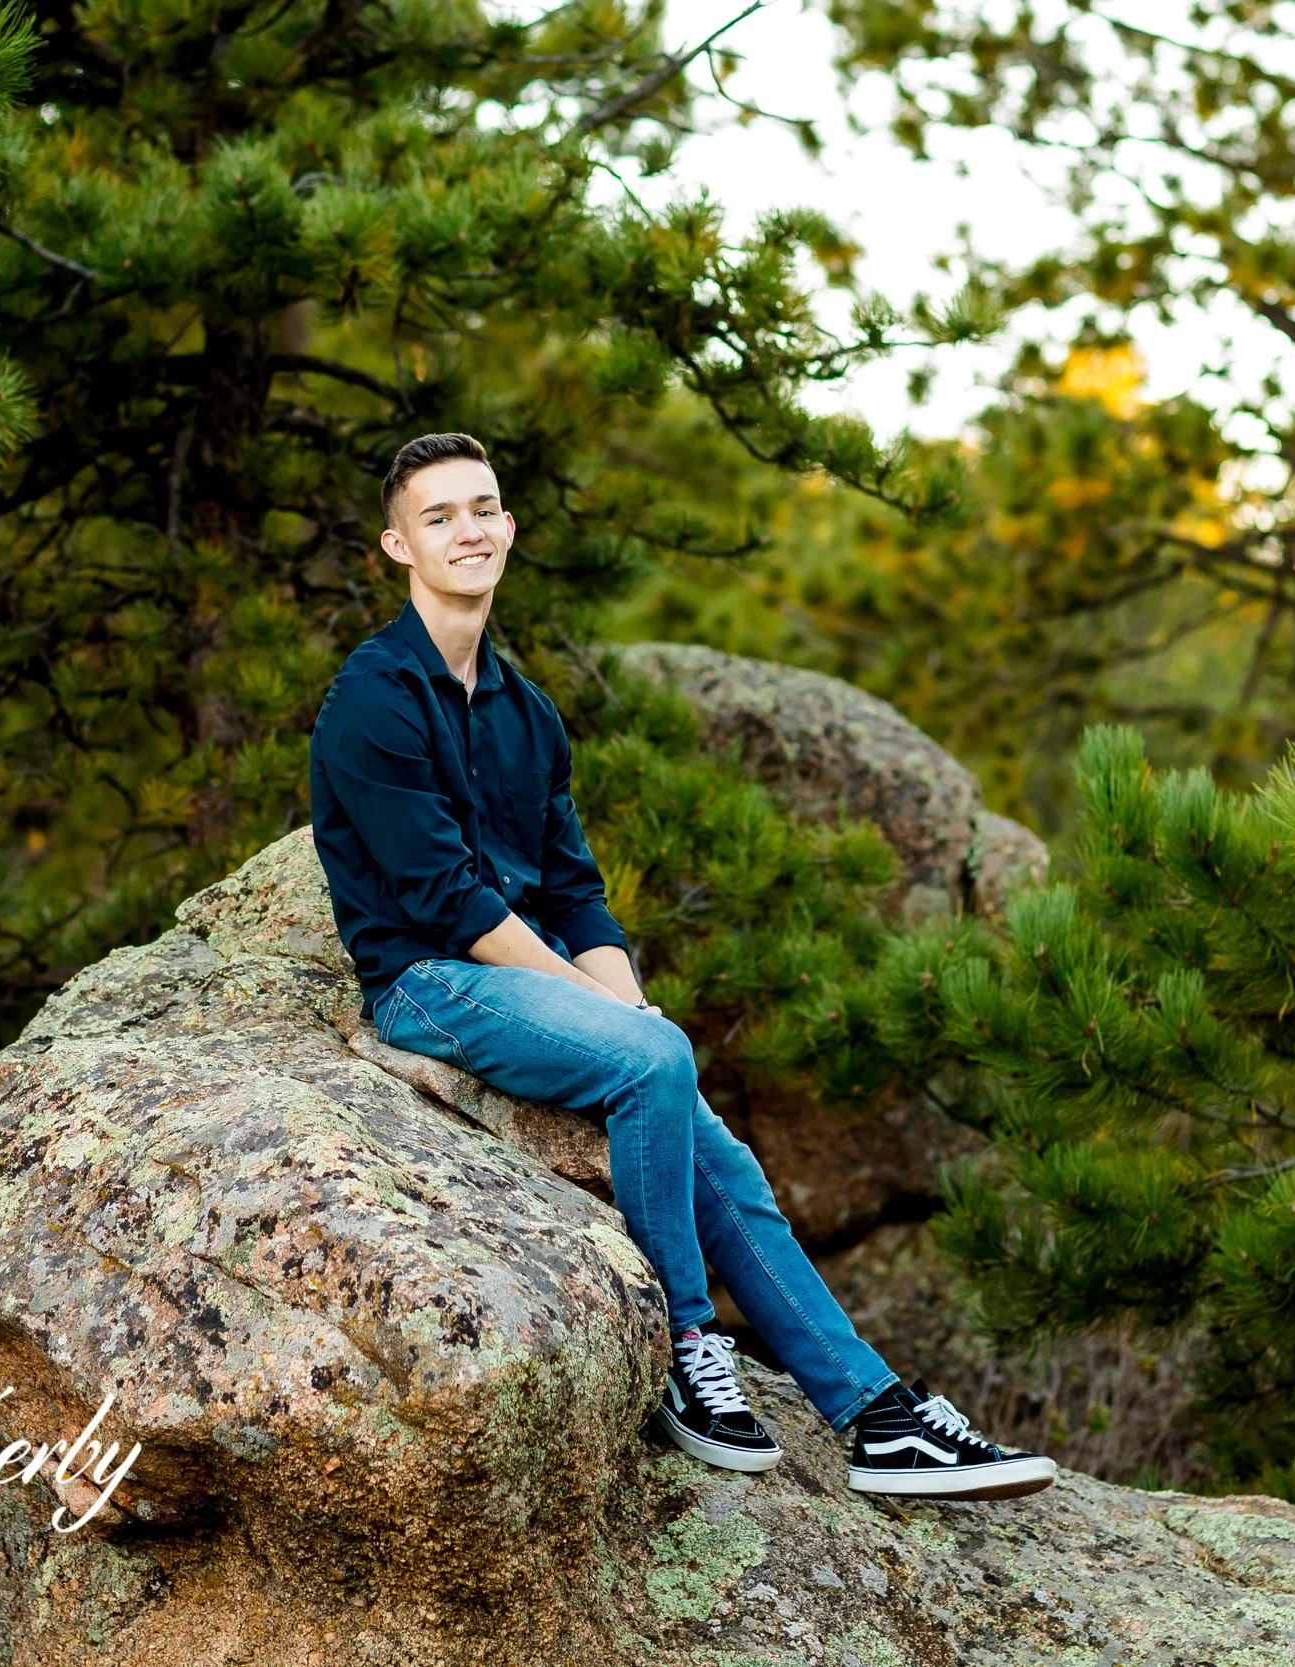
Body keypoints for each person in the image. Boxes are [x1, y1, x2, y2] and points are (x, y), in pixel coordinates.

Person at [305, 432, 1057, 1501]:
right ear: (397, 544)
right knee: (653, 1059)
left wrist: (628, 1006)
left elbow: (573, 890)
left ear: (509, 527)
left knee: (719, 1150)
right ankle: (686, 1350)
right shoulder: (373, 699)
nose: (468, 529)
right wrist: (620, 1025)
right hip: (429, 980)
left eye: (484, 509)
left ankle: (877, 1415)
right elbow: (451, 905)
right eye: (440, 516)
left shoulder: (526, 713)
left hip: (532, 973)